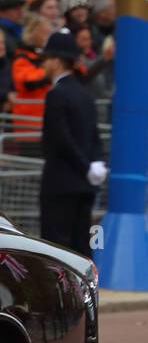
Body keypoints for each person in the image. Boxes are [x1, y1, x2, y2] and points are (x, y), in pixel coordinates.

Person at [38, 31, 105, 257]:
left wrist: (85, 166)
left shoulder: (57, 94)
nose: (44, 64)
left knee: (56, 248)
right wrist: (95, 164)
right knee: (82, 247)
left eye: (47, 59)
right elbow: (94, 135)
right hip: (84, 183)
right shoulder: (85, 94)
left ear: (57, 61)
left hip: (61, 182)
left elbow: (60, 139)